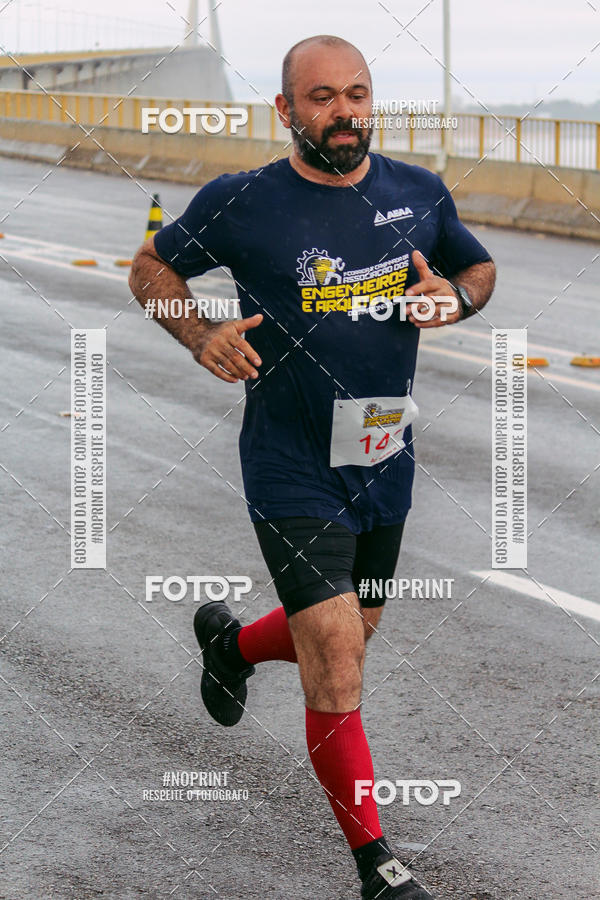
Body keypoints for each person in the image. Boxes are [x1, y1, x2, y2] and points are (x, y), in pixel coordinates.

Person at [129, 34, 496, 900]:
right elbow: (151, 268)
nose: (344, 113)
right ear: (285, 111)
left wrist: (459, 297)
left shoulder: (417, 193)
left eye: (358, 95)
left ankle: (231, 644)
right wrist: (201, 331)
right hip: (289, 462)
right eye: (323, 97)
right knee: (334, 653)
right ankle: (379, 864)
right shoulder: (244, 201)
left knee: (352, 635)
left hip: (381, 457)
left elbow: (476, 265)